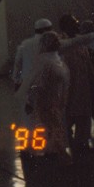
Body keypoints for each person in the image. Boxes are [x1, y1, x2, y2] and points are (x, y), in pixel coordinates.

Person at [23, 31, 70, 161]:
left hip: (56, 101)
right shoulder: (45, 61)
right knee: (51, 130)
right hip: (47, 102)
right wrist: (30, 100)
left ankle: (53, 154)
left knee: (54, 129)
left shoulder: (55, 59)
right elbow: (37, 84)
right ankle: (53, 155)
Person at [58, 14, 94, 154]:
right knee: (67, 116)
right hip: (68, 87)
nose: (77, 25)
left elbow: (87, 62)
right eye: (74, 23)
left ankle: (82, 142)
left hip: (83, 87)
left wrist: (92, 78)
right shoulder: (60, 41)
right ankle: (67, 143)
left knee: (84, 116)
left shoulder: (80, 43)